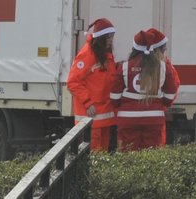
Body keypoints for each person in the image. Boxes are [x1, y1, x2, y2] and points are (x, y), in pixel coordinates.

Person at [115, 27, 180, 150]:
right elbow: (171, 92)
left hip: (128, 118)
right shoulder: (164, 67)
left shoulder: (124, 66)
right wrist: (161, 103)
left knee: (128, 154)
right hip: (154, 118)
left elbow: (114, 96)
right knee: (151, 156)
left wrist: (125, 105)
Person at [66, 19, 121, 152]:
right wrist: (87, 102)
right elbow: (73, 82)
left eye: (112, 37)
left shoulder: (104, 53)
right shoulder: (87, 54)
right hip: (92, 114)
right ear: (101, 38)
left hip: (102, 113)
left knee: (101, 152)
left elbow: (108, 77)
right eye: (109, 38)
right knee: (94, 152)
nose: (111, 41)